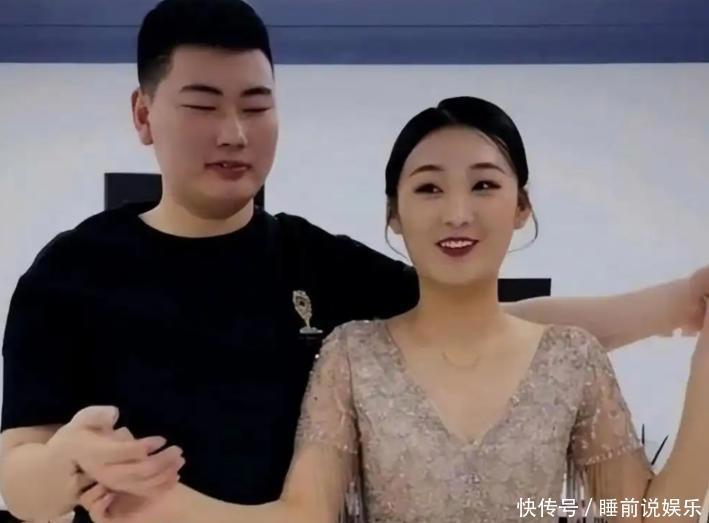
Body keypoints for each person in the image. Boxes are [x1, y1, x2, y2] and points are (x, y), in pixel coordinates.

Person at [1, 1, 707, 522]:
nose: (234, 132)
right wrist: (67, 464)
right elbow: (17, 477)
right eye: (202, 105)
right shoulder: (72, 273)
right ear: (143, 114)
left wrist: (676, 304)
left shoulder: (316, 262)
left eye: (256, 105)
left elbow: (493, 324)